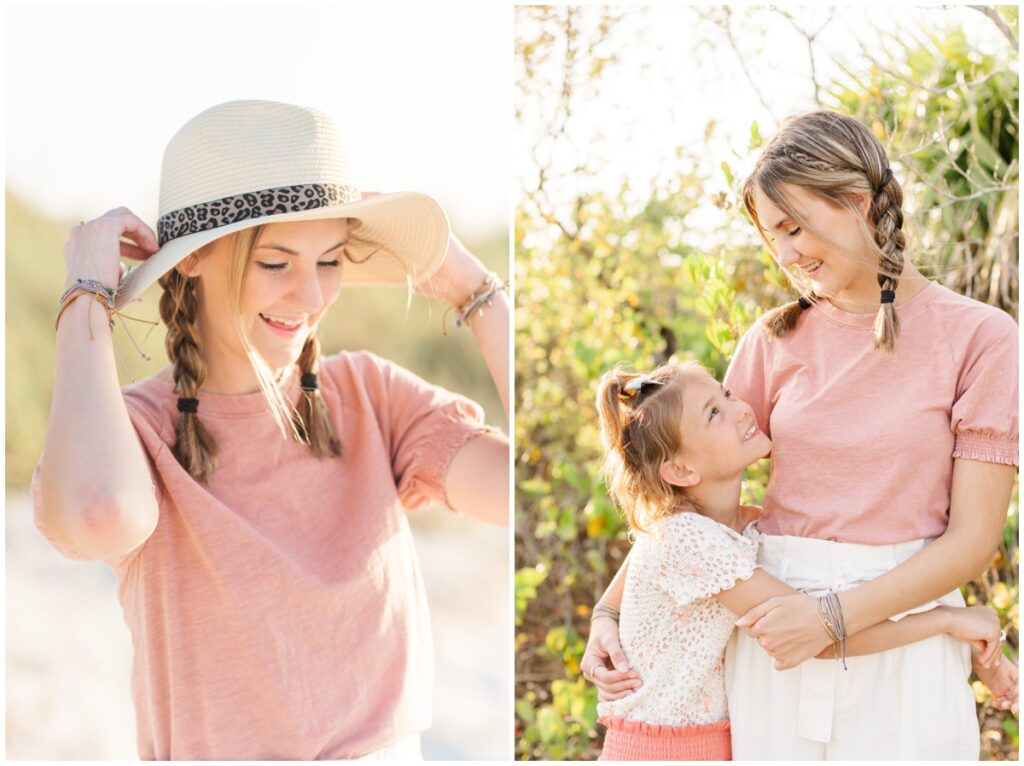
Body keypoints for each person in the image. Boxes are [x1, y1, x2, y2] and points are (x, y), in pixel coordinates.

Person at [33, 100, 509, 760]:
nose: (311, 298)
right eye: (277, 263)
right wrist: (85, 294)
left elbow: (529, 490)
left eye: (332, 260)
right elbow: (96, 513)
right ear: (193, 260)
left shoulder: (373, 397)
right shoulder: (136, 431)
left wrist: (477, 292)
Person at [581, 110, 1018, 759]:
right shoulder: (774, 338)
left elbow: (972, 539)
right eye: (770, 238)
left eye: (794, 227)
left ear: (856, 202)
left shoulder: (984, 340)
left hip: (904, 632)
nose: (785, 256)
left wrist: (831, 619)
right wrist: (609, 612)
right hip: (774, 632)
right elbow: (684, 499)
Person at [591, 360, 1006, 761]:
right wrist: (950, 622)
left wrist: (603, 613)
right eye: (714, 413)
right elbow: (821, 636)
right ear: (680, 470)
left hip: (705, 743)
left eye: (728, 393)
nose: (741, 409)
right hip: (658, 751)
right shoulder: (688, 539)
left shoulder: (738, 530)